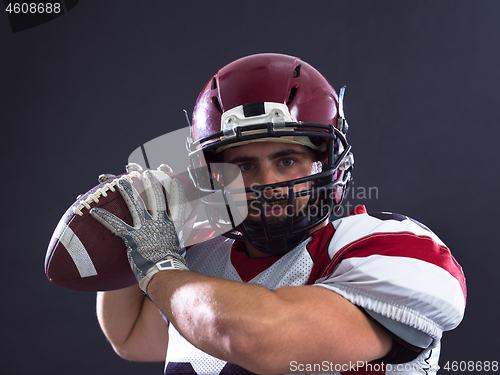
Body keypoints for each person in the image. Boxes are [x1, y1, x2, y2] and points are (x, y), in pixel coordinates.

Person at [91, 53, 466, 375]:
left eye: (286, 160)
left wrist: (157, 265)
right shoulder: (202, 258)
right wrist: (135, 222)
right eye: (245, 166)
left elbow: (257, 340)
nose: (266, 183)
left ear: (325, 163)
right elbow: (129, 336)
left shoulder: (390, 250)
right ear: (216, 177)